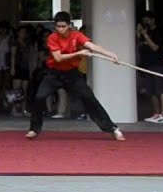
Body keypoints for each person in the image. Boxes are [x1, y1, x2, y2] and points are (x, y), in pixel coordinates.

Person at [28, 12, 125, 141]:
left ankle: (112, 129)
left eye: (63, 26)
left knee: (89, 98)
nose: (60, 29)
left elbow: (91, 46)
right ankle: (34, 129)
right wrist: (79, 53)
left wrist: (110, 54)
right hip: (54, 74)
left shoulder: (77, 35)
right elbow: (58, 58)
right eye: (58, 26)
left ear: (69, 25)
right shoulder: (52, 37)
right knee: (39, 97)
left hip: (72, 74)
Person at [137, 15, 163, 124]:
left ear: (153, 20)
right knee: (151, 90)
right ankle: (156, 114)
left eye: (147, 20)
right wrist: (139, 33)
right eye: (144, 21)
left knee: (162, 89)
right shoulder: (145, 33)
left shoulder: (158, 32)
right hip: (148, 65)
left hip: (159, 64)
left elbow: (155, 47)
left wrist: (145, 35)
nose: (145, 23)